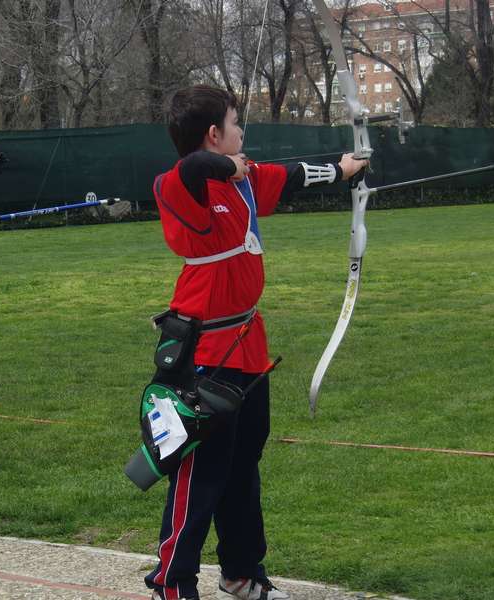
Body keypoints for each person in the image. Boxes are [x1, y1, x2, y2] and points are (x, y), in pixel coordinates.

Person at [144, 86, 368, 600]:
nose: (243, 131)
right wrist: (231, 169)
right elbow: (192, 169)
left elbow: (293, 175)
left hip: (248, 345)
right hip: (204, 354)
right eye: (235, 123)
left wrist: (347, 168)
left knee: (242, 467)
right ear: (213, 135)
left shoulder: (245, 182)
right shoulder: (181, 186)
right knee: (201, 472)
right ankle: (170, 584)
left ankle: (242, 573)